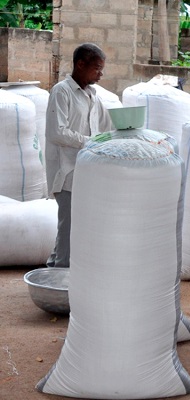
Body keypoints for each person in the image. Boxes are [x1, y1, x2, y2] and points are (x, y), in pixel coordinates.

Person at [45, 43, 112, 268]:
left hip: (85, 171)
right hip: (66, 172)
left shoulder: (92, 96)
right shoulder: (61, 91)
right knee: (69, 227)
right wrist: (91, 143)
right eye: (97, 68)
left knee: (73, 225)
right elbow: (56, 132)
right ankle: (61, 276)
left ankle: (54, 266)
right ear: (80, 64)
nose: (101, 73)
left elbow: (107, 128)